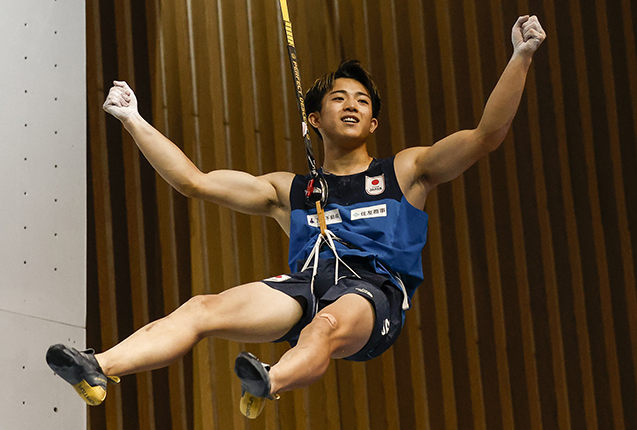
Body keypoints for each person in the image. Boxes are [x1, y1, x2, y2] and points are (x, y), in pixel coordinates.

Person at [47, 15, 546, 418]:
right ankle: (98, 365)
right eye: (338, 98)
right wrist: (135, 120)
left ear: (373, 122)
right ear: (314, 119)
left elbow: (485, 136)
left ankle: (270, 380)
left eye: (362, 100)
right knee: (203, 307)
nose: (350, 104)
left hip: (372, 296)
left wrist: (521, 57)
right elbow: (193, 182)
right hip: (304, 285)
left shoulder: (406, 171)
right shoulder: (291, 189)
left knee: (324, 326)